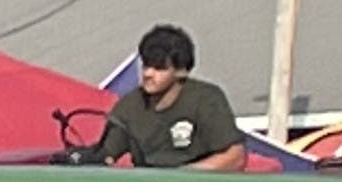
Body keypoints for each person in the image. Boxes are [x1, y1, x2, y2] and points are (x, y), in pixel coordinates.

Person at [96, 25, 242, 170]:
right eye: (146, 65)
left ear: (181, 70)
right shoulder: (129, 106)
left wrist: (183, 175)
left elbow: (235, 157)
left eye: (159, 68)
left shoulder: (206, 100)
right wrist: (91, 157)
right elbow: (105, 155)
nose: (148, 74)